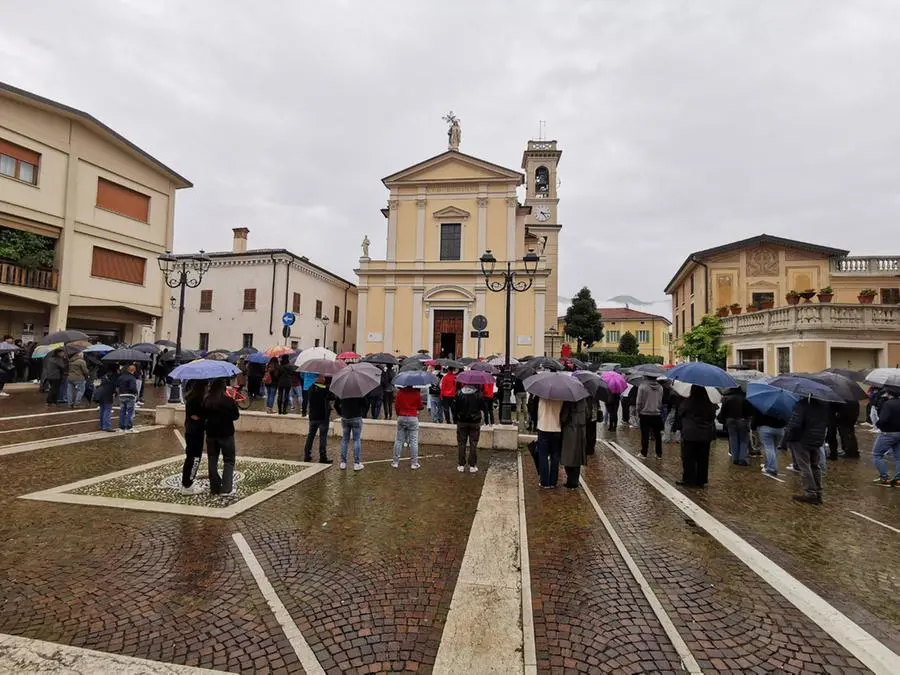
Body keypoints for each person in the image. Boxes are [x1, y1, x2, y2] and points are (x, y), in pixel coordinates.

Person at [785, 396, 829, 504]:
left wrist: (790, 437)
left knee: (804, 466)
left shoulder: (802, 405)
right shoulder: (823, 406)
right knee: (815, 465)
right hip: (817, 440)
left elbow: (795, 425)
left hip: (801, 440)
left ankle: (810, 493)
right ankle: (818, 492)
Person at [204, 378, 240, 496]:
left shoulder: (207, 400)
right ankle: (226, 488)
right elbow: (235, 416)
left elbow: (203, 415)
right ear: (224, 388)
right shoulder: (228, 401)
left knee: (212, 459)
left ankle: (214, 487)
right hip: (226, 434)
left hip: (211, 434)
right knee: (229, 461)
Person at [674, 386, 717, 487]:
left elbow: (680, 412)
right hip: (705, 434)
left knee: (688, 457)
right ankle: (701, 480)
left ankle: (689, 479)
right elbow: (712, 416)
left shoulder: (688, 402)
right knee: (703, 458)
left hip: (690, 434)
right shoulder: (709, 403)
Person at [181, 381, 207, 495]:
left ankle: (186, 482)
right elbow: (195, 416)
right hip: (196, 432)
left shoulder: (190, 398)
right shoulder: (196, 400)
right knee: (195, 459)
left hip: (191, 431)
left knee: (190, 458)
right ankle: (188, 484)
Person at [871, 388, 900, 486]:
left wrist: (878, 425)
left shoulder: (888, 404)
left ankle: (884, 478)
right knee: (898, 457)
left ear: (889, 394)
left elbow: (883, 419)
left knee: (877, 454)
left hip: (888, 432)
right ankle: (898, 479)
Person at [718, 386, 753, 466]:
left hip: (730, 420)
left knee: (733, 438)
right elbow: (750, 411)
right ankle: (742, 458)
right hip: (742, 419)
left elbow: (723, 410)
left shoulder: (727, 397)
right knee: (743, 439)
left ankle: (735, 458)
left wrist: (724, 419)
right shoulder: (745, 397)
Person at [453, 380, 483, 472]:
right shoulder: (478, 394)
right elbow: (482, 407)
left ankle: (461, 464)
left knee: (461, 443)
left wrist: (455, 419)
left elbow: (454, 408)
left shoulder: (459, 393)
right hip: (475, 422)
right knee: (473, 443)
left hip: (461, 421)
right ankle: (472, 465)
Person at [303, 375, 333, 463]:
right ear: (319, 379)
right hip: (323, 417)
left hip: (312, 416)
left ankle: (307, 455)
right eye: (323, 377)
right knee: (323, 436)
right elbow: (332, 397)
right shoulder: (325, 390)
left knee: (311, 435)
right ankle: (323, 456)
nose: (324, 379)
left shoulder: (310, 388)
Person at [392, 384, 423, 469]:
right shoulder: (417, 393)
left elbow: (396, 406)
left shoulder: (400, 393)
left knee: (398, 440)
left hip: (401, 417)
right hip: (413, 417)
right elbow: (420, 407)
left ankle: (395, 462)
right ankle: (414, 463)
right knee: (414, 441)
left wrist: (399, 414)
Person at [752, 405, 787, 477]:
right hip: (780, 429)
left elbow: (757, 416)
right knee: (774, 448)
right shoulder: (783, 405)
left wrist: (753, 427)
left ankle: (771, 468)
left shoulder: (763, 403)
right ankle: (767, 465)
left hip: (766, 427)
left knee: (768, 448)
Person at [536, 396, 564, 487]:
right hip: (556, 428)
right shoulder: (561, 397)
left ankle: (544, 481)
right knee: (555, 456)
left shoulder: (542, 396)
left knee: (543, 456)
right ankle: (553, 482)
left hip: (543, 427)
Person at [560, 397, 587, 489]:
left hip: (570, 429)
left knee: (568, 456)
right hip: (581, 430)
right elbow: (587, 414)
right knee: (577, 456)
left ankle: (571, 480)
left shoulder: (568, 400)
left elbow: (564, 417)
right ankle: (575, 479)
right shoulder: (584, 399)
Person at [334, 395, 366, 470]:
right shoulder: (358, 392)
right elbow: (365, 404)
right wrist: (361, 411)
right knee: (356, 439)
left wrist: (341, 413)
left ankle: (343, 462)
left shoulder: (342, 392)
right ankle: (356, 463)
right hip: (356, 417)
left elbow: (335, 405)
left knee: (345, 439)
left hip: (345, 417)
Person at [636, 375, 664, 458]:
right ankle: (659, 454)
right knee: (657, 435)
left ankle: (644, 453)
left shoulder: (642, 386)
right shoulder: (660, 387)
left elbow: (639, 401)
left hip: (645, 414)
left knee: (645, 435)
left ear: (647, 377)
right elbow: (660, 402)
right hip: (657, 414)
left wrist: (638, 411)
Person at [94, 365, 118, 432]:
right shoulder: (113, 376)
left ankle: (102, 425)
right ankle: (106, 426)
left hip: (101, 395)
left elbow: (96, 385)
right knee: (107, 411)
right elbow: (113, 386)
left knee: (102, 410)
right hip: (108, 395)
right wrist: (115, 393)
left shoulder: (102, 376)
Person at [116, 364, 139, 432]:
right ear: (133, 371)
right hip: (130, 395)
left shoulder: (121, 377)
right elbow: (133, 388)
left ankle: (121, 427)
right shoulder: (132, 378)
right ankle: (129, 428)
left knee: (122, 412)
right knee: (130, 412)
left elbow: (117, 386)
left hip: (122, 395)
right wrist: (135, 393)